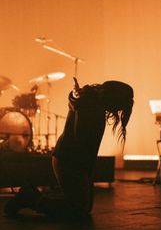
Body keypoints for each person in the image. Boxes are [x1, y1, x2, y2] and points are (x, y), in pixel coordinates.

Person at [4, 78, 134, 218]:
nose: (119, 109)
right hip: (69, 160)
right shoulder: (89, 100)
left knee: (84, 207)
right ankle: (31, 198)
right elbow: (77, 101)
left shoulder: (96, 102)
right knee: (77, 209)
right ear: (113, 97)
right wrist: (75, 96)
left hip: (78, 161)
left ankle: (33, 197)